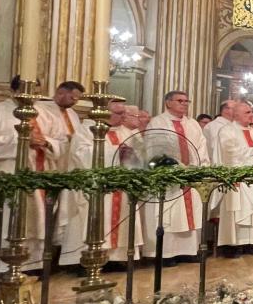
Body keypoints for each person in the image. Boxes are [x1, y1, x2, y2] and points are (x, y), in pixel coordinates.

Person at [0, 78, 69, 277]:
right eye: (26, 90)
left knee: (33, 222)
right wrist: (20, 142)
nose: (31, 96)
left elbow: (62, 143)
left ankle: (29, 267)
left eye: (35, 91)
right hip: (2, 176)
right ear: (13, 90)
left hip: (36, 178)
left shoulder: (46, 115)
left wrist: (47, 143)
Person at [58, 102, 139, 266]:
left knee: (121, 219)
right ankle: (84, 261)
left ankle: (116, 259)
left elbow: (139, 159)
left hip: (121, 187)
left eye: (124, 113)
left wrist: (133, 157)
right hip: (94, 187)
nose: (123, 116)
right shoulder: (86, 130)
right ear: (104, 113)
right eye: (118, 113)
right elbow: (81, 155)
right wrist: (115, 154)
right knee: (92, 220)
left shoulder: (126, 132)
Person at [141, 91, 207, 261]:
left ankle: (190, 251)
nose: (184, 104)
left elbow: (201, 146)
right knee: (168, 215)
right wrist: (174, 166)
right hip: (169, 176)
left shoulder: (193, 124)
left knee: (190, 214)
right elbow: (154, 147)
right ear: (168, 103)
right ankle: (166, 254)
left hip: (191, 176)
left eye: (186, 101)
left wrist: (199, 166)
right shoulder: (158, 122)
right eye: (180, 101)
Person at [215, 101, 253, 252]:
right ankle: (233, 245)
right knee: (237, 209)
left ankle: (251, 243)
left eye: (251, 112)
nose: (251, 115)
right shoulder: (227, 131)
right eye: (247, 113)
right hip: (237, 179)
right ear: (235, 114)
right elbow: (229, 152)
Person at [45, 81, 86, 167]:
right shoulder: (42, 110)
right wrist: (65, 139)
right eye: (73, 98)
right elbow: (39, 137)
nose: (75, 102)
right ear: (61, 93)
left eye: (77, 99)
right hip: (48, 160)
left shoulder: (72, 113)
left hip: (67, 159)